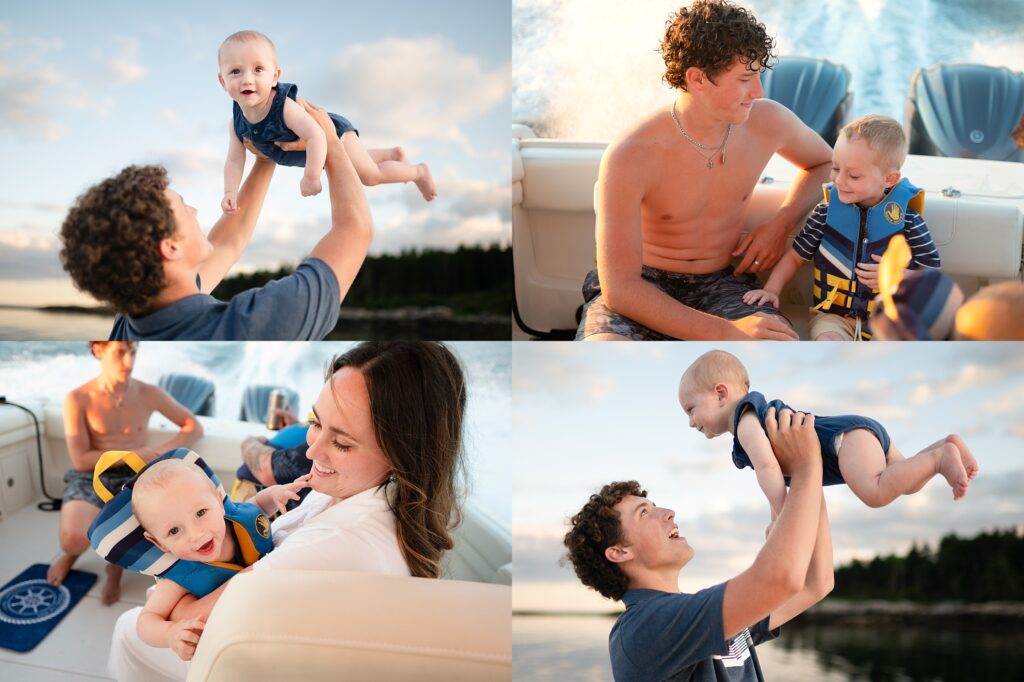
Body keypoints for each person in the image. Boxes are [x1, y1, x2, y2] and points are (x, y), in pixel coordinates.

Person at [108, 341, 467, 677]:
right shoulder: (360, 490)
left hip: (259, 663)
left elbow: (192, 619)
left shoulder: (340, 541)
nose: (312, 452)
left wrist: (170, 594)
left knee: (129, 628)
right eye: (315, 422)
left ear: (401, 453)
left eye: (341, 442)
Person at [576, 0, 832, 342]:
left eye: (758, 74)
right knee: (603, 357)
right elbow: (621, 289)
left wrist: (781, 223)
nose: (758, 92)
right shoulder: (631, 154)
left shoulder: (768, 121)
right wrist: (727, 333)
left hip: (723, 283)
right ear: (697, 79)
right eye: (745, 78)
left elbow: (827, 163)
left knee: (777, 346)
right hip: (643, 289)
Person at [59, 97, 373, 341]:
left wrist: (264, 160)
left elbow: (227, 242)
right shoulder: (253, 327)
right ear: (169, 248)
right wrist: (330, 142)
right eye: (182, 207)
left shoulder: (132, 318)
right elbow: (354, 231)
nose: (194, 210)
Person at [564, 407, 833, 681]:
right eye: (644, 513)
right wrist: (804, 466)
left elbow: (816, 583)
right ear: (619, 552)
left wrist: (812, 472)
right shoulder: (644, 628)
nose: (668, 512)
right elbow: (780, 579)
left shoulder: (697, 619)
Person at [679, 351, 979, 518]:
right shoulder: (750, 417)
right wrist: (776, 521)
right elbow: (778, 475)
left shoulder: (745, 420)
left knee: (875, 493)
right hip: (855, 435)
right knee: (907, 484)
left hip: (842, 442)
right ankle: (944, 446)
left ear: (721, 393)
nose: (692, 422)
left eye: (691, 409)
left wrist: (784, 514)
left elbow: (768, 468)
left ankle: (940, 458)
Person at [744, 115, 942, 340]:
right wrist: (771, 289)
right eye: (836, 168)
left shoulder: (908, 220)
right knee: (828, 344)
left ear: (889, 179)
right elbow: (795, 257)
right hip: (833, 317)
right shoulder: (826, 213)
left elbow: (932, 276)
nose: (839, 181)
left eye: (854, 175)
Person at [49, 342, 203, 605]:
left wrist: (158, 452)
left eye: (133, 352)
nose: (128, 362)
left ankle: (115, 570)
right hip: (92, 473)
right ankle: (71, 555)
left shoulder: (149, 393)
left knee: (131, 527)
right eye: (120, 352)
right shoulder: (78, 398)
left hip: (134, 474)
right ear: (98, 350)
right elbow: (80, 459)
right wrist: (131, 453)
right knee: (73, 540)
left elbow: (193, 426)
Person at [218, 30, 436, 211]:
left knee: (369, 175)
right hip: (319, 151)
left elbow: (316, 135)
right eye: (235, 71)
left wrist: (311, 176)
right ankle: (391, 154)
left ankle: (418, 172)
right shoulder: (236, 123)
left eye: (258, 69)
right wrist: (230, 191)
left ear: (275, 76)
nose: (247, 79)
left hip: (332, 133)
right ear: (222, 80)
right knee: (353, 162)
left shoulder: (283, 108)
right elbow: (234, 160)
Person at [130, 457, 309, 660]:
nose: (196, 534)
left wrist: (275, 494)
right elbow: (146, 620)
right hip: (234, 632)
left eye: (200, 513)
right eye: (174, 530)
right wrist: (170, 634)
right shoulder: (180, 577)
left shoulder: (242, 519)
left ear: (218, 501)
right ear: (159, 543)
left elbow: (259, 503)